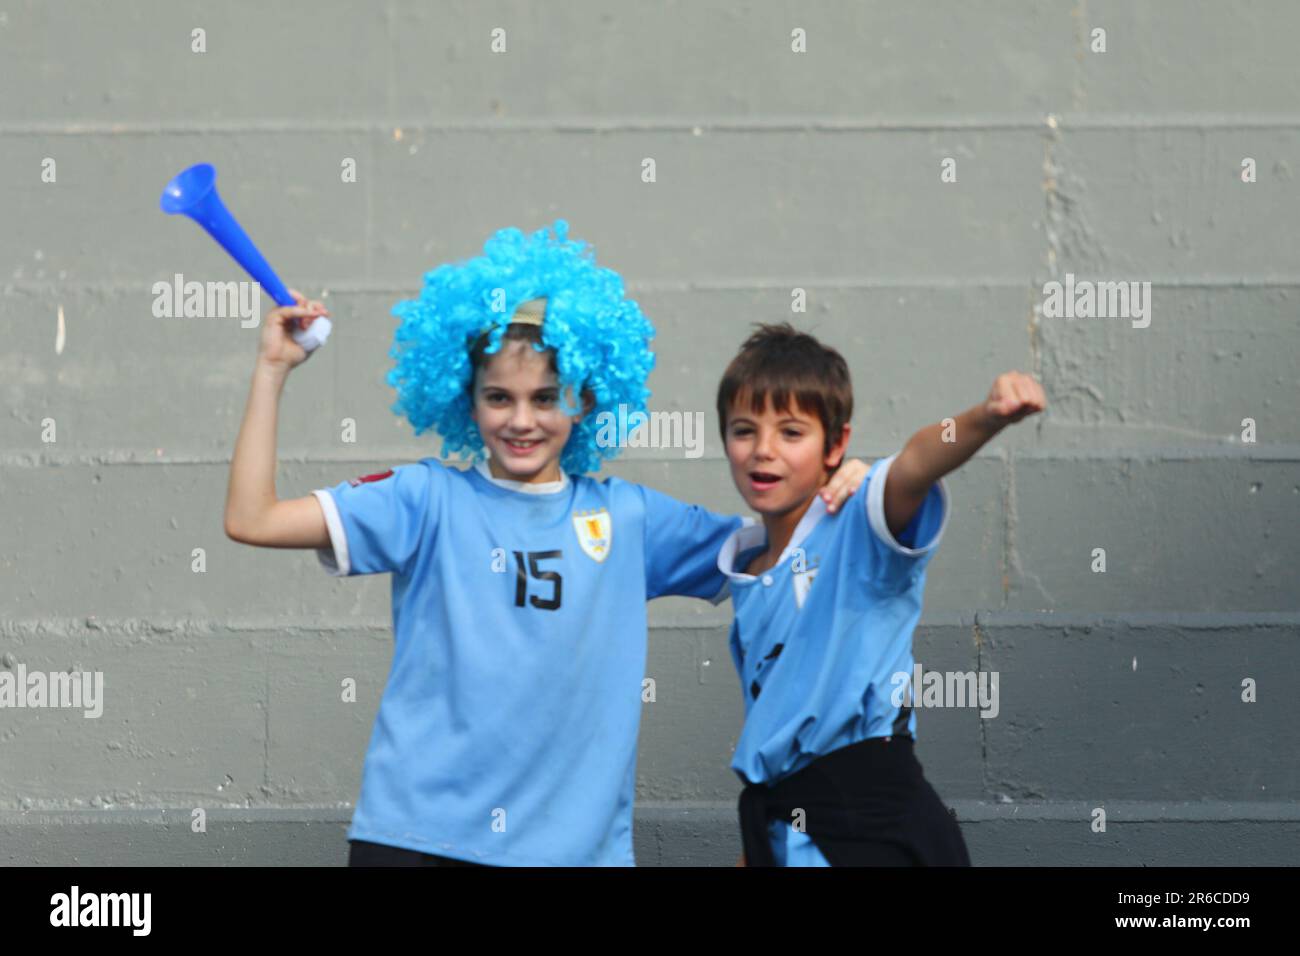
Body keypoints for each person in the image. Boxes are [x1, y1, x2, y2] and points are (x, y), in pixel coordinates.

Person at [223, 222, 870, 866]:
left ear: (585, 399)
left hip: (575, 854)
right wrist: (271, 370)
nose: (522, 419)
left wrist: (846, 482)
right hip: (417, 841)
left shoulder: (630, 517)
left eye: (546, 398)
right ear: (466, 401)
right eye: (498, 397)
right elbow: (252, 518)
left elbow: (787, 544)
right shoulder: (422, 500)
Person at [712, 323, 1046, 865]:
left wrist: (986, 417)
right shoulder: (745, 568)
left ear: (836, 444)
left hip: (872, 823)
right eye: (744, 430)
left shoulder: (858, 525)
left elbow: (914, 464)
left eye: (791, 432)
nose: (763, 450)